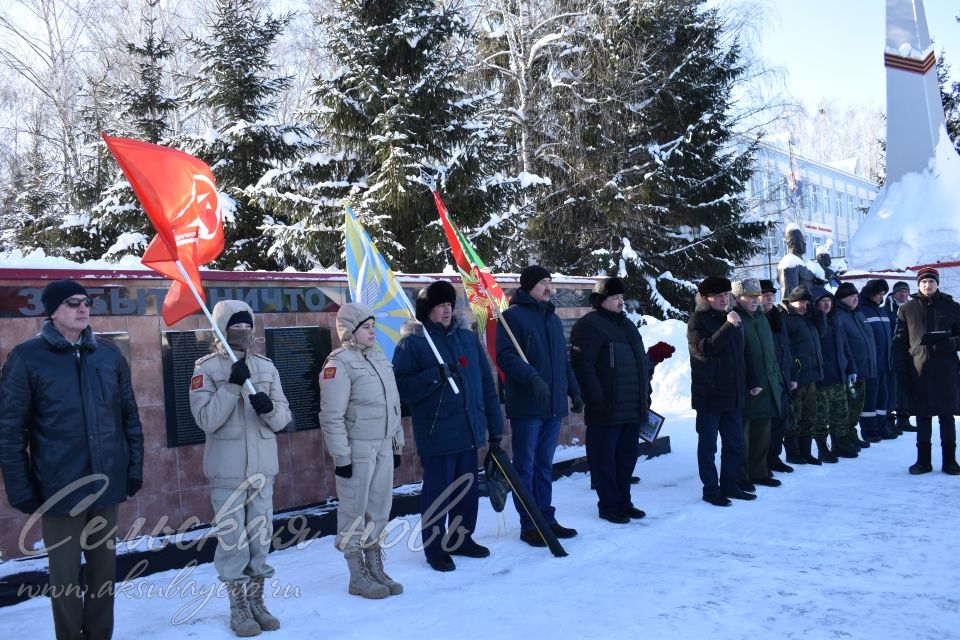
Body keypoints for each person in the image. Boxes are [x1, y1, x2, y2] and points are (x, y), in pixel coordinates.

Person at [0, 279, 144, 640]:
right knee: (64, 577)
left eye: (86, 301)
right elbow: (9, 429)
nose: (83, 308)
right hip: (59, 486)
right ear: (52, 311)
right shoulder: (27, 358)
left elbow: (129, 415)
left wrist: (133, 468)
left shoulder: (108, 354)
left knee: (103, 573)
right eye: (72, 303)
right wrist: (21, 487)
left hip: (105, 483)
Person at [189, 300, 292, 637]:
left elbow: (283, 418)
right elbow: (206, 419)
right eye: (236, 326)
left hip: (263, 470)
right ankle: (239, 607)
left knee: (260, 541)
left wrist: (268, 409)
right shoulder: (206, 369)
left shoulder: (266, 366)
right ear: (221, 327)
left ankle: (257, 601)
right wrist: (232, 386)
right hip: (228, 472)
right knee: (234, 544)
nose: (244, 332)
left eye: (248, 326)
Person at [392, 281, 503, 571]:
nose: (446, 310)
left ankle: (462, 539)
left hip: (468, 429)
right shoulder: (412, 343)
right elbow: (401, 388)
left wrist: (495, 424)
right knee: (438, 493)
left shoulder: (467, 339)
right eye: (440, 305)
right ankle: (435, 547)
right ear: (427, 310)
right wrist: (434, 375)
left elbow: (485, 385)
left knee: (466, 491)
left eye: (449, 304)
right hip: (437, 433)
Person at [570, 277, 673, 524]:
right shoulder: (589, 326)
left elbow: (635, 365)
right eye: (615, 298)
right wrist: (596, 399)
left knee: (626, 460)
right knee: (605, 461)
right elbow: (583, 367)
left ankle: (624, 501)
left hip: (631, 407)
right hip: (607, 408)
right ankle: (608, 505)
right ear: (601, 300)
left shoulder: (627, 325)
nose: (620, 302)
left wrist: (652, 360)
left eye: (622, 298)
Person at [319, 303, 405, 598]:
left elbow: (393, 404)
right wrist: (341, 457)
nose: (373, 332)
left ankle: (374, 567)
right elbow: (331, 416)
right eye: (367, 327)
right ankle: (357, 574)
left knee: (379, 509)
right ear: (351, 331)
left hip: (382, 445)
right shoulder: (339, 363)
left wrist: (396, 442)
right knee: (354, 511)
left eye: (373, 326)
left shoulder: (379, 357)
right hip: (358, 450)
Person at [496, 265, 582, 545]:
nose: (549, 288)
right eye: (544, 283)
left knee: (545, 464)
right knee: (526, 466)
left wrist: (574, 390)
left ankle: (546, 517)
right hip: (528, 406)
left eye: (550, 282)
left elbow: (563, 361)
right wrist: (531, 378)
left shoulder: (553, 319)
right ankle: (529, 523)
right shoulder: (511, 318)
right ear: (529, 286)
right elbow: (506, 357)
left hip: (554, 405)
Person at [687, 276, 754, 506]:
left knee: (734, 444)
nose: (725, 298)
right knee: (708, 446)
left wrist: (752, 381)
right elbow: (704, 349)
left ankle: (730, 484)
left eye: (727, 294)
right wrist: (728, 326)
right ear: (706, 298)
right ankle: (711, 489)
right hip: (710, 395)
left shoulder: (733, 319)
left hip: (733, 393)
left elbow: (745, 353)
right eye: (719, 295)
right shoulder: (698, 320)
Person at [893, 267, 960, 475]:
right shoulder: (907, 309)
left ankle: (950, 461)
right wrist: (902, 371)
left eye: (931, 281)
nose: (927, 285)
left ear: (937, 283)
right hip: (918, 371)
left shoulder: (953, 307)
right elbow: (899, 344)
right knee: (922, 417)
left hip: (946, 371)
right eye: (923, 282)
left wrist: (950, 343)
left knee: (947, 417)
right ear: (918, 284)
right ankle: (923, 461)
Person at [731, 279, 782, 490]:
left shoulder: (762, 318)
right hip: (746, 387)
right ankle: (741, 476)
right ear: (738, 298)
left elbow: (770, 353)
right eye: (749, 296)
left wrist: (777, 378)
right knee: (743, 436)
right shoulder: (735, 319)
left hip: (767, 383)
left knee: (762, 433)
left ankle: (759, 472)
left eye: (756, 296)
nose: (754, 300)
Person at [810, 287, 859, 461]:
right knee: (821, 416)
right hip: (823, 378)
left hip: (840, 375)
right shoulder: (814, 321)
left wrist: (851, 368)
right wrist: (820, 318)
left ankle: (839, 443)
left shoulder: (836, 319)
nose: (826, 303)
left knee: (841, 413)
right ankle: (823, 448)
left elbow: (845, 347)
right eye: (822, 301)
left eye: (829, 300)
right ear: (815, 304)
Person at [778, 286, 824, 465]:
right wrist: (791, 374)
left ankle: (806, 451)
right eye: (801, 302)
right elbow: (786, 349)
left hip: (812, 375)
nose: (804, 306)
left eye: (807, 302)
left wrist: (818, 315)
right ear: (791, 302)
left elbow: (822, 333)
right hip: (797, 376)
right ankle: (793, 452)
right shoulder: (786, 320)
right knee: (794, 417)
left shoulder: (809, 319)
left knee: (809, 416)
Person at [833, 282, 877, 451]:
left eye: (855, 296)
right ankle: (842, 438)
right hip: (849, 372)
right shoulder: (838, 316)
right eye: (850, 296)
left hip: (862, 371)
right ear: (841, 299)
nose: (854, 299)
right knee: (846, 407)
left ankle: (852, 434)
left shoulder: (858, 314)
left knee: (857, 406)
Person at [761, 279, 798, 474]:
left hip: (783, 378)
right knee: (767, 425)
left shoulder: (777, 317)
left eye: (771, 295)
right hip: (767, 380)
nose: (769, 298)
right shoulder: (757, 318)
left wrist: (792, 375)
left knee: (781, 421)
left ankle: (774, 457)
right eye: (765, 295)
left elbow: (787, 348)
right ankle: (762, 461)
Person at [859, 279, 897, 441]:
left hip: (884, 363)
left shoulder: (881, 311)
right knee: (870, 399)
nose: (880, 297)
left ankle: (882, 425)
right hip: (870, 365)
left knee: (883, 397)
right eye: (878, 294)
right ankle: (869, 430)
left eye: (883, 294)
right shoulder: (861, 310)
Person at [884, 281, 914, 433]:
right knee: (892, 387)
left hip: (909, 354)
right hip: (893, 354)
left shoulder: (912, 309)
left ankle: (904, 419)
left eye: (906, 291)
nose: (903, 294)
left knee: (905, 386)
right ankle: (889, 420)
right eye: (900, 291)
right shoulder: (887, 310)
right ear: (894, 293)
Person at [778, 226, 824, 295]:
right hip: (802, 305)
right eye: (801, 241)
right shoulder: (790, 263)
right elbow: (790, 296)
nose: (805, 243)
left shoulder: (805, 262)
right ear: (791, 243)